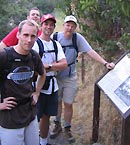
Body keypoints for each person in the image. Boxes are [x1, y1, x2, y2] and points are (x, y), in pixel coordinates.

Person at [50, 15, 115, 143]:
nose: (70, 28)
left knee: (68, 103)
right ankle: (57, 125)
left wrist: (105, 63)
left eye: (72, 25)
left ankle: (67, 127)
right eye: (68, 25)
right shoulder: (55, 37)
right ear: (63, 25)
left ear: (75, 27)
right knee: (57, 102)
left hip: (70, 76)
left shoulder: (77, 38)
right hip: (56, 75)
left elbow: (90, 51)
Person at [0, 19, 46, 145]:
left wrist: (36, 93)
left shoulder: (33, 56)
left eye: (33, 36)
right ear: (18, 34)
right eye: (25, 35)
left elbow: (43, 74)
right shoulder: (4, 56)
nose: (29, 40)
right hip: (9, 118)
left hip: (30, 113)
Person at [32, 14, 67, 145]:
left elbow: (64, 64)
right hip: (36, 85)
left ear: (54, 27)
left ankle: (43, 142)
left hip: (52, 85)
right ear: (41, 26)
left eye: (51, 24)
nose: (49, 27)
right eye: (46, 24)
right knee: (34, 117)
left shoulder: (56, 44)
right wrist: (50, 67)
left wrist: (49, 66)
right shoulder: (35, 44)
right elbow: (33, 67)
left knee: (47, 115)